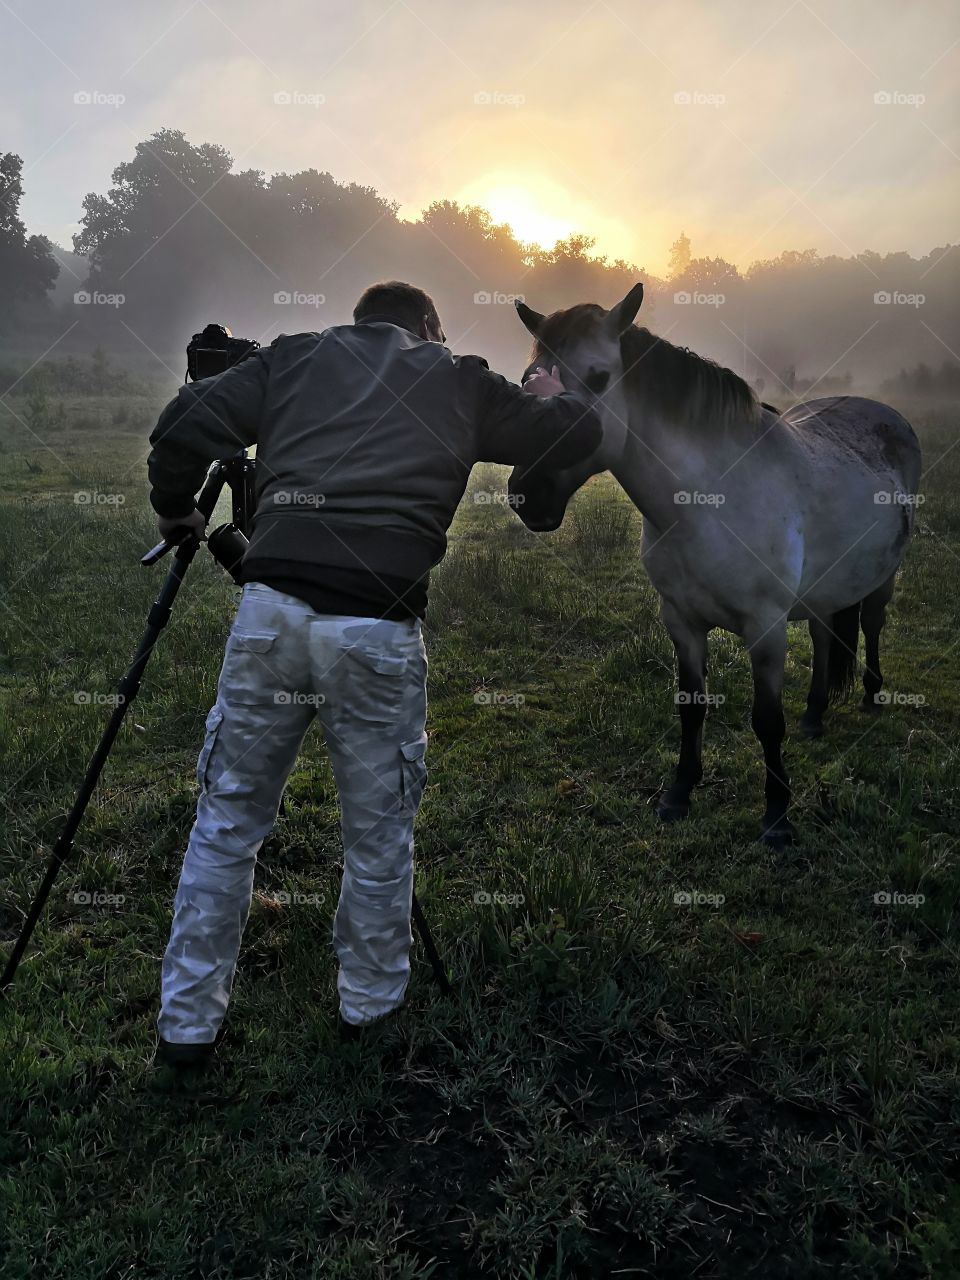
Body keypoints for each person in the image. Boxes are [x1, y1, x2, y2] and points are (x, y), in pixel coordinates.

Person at [147, 280, 601, 1068]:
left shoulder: (293, 358)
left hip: (270, 613)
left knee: (226, 825)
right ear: (429, 325)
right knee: (378, 836)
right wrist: (552, 393)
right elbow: (573, 434)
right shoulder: (458, 377)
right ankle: (369, 1013)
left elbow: (183, 421)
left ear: (358, 322)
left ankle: (185, 1033)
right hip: (378, 628)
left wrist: (175, 507)